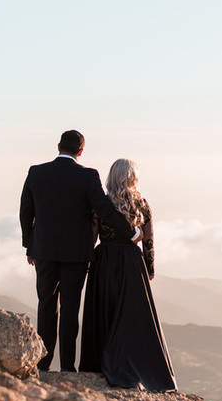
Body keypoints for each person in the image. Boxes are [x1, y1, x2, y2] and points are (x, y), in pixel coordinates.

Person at [19, 130, 140, 372]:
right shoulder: (87, 176)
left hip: (43, 250)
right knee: (71, 308)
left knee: (46, 305)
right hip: (76, 254)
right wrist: (132, 233)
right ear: (81, 152)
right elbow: (104, 210)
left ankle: (43, 364)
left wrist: (29, 245)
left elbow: (25, 212)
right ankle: (67, 367)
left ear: (58, 146)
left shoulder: (36, 172)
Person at [80, 158, 177, 392]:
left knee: (104, 310)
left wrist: (85, 263)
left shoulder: (101, 204)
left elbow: (91, 236)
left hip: (104, 260)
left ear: (111, 177)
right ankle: (136, 365)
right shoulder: (141, 203)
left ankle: (99, 364)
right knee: (131, 316)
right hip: (132, 263)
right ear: (133, 177)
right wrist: (149, 268)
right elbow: (149, 239)